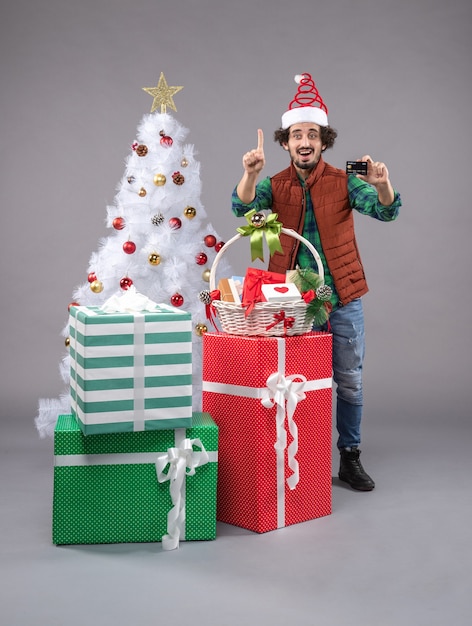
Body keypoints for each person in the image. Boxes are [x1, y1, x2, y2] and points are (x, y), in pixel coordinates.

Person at [231, 73, 402, 491]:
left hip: (342, 297)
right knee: (290, 384)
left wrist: (383, 186)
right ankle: (297, 462)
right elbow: (242, 206)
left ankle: (349, 459)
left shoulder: (345, 181)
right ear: (285, 143)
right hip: (290, 302)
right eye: (295, 135)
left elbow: (386, 212)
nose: (304, 141)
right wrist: (251, 175)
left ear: (324, 140)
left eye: (312, 134)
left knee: (349, 380)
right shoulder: (274, 184)